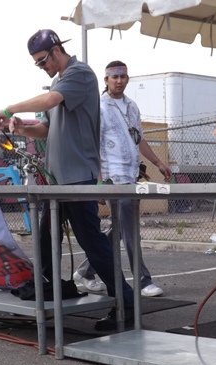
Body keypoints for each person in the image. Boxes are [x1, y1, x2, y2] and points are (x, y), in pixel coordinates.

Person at [0, 29, 134, 331]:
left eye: (42, 61)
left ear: (56, 50)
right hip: (59, 179)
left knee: (92, 242)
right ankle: (49, 292)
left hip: (77, 177)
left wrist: (9, 108)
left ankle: (128, 303)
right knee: (46, 238)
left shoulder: (79, 74)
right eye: (37, 64)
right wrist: (21, 128)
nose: (42, 66)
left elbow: (51, 99)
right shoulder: (59, 82)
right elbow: (46, 127)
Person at [74, 60, 172, 297]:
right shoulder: (98, 107)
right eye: (114, 77)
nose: (119, 81)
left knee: (119, 228)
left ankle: (86, 270)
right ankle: (142, 279)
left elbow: (138, 139)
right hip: (110, 177)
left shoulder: (131, 106)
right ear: (106, 80)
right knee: (129, 228)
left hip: (130, 175)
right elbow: (92, 146)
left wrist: (158, 162)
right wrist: (97, 180)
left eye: (123, 77)